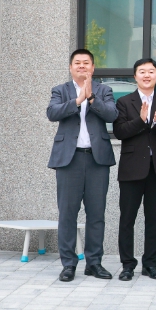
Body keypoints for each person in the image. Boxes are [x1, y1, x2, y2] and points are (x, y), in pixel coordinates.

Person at [46, 49, 118, 282]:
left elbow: (112, 115)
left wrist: (91, 98)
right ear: (71, 67)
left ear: (93, 68)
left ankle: (94, 263)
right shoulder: (60, 90)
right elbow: (52, 112)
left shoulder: (104, 90)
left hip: (97, 159)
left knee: (96, 214)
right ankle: (68, 264)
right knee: (67, 213)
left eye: (86, 63)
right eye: (77, 63)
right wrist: (78, 100)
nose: (82, 66)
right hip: (69, 160)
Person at [113, 58, 156, 282]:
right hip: (131, 168)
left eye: (151, 72)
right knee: (127, 219)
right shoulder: (124, 102)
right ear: (135, 76)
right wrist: (140, 120)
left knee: (153, 219)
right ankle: (127, 265)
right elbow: (120, 132)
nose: (147, 75)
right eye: (142, 71)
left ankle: (150, 264)